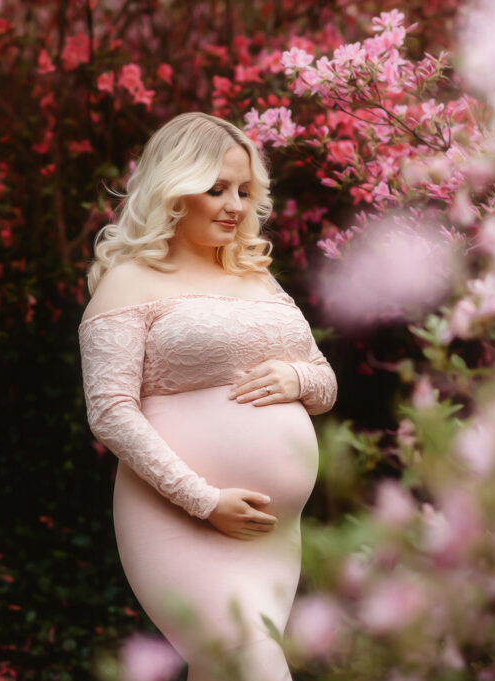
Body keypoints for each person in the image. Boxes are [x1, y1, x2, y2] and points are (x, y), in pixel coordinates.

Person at [78, 112, 337, 681]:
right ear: (174, 189)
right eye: (216, 188)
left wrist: (296, 381)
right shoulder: (129, 281)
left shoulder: (256, 276)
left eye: (244, 191)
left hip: (268, 532)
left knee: (226, 670)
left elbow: (323, 379)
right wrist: (202, 499)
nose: (234, 205)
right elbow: (110, 413)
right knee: (255, 665)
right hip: (179, 516)